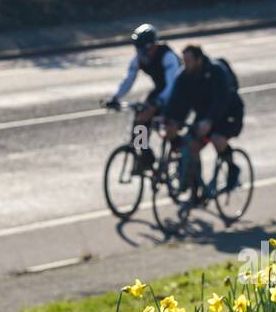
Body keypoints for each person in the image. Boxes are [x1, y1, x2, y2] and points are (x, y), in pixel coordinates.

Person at [163, 44, 244, 201]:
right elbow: (176, 101)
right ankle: (196, 187)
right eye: (184, 60)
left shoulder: (216, 71)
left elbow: (222, 99)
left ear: (199, 60)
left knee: (217, 139)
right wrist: (168, 118)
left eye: (189, 61)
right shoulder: (183, 76)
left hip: (228, 114)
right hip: (204, 116)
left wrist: (209, 121)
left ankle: (233, 171)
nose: (185, 64)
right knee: (191, 145)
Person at [102, 23, 182, 128]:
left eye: (146, 50)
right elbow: (128, 80)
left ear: (154, 45)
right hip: (161, 89)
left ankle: (176, 143)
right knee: (141, 117)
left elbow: (172, 85)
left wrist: (159, 101)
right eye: (139, 50)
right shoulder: (138, 59)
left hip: (179, 91)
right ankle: (140, 144)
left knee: (169, 126)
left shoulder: (168, 56)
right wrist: (115, 97)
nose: (143, 54)